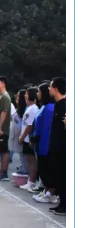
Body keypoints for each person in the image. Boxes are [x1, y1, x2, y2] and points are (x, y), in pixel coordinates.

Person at [32, 83, 58, 204]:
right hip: (40, 143)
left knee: (47, 170)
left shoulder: (49, 108)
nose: (37, 94)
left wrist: (37, 139)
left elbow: (47, 129)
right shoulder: (44, 106)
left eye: (39, 91)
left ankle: (51, 194)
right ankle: (46, 191)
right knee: (43, 169)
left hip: (45, 145)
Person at [48, 77, 66, 215]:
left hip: (63, 147)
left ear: (56, 88)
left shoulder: (66, 105)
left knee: (63, 176)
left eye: (50, 86)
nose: (49, 89)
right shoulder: (57, 105)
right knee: (58, 176)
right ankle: (61, 203)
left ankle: (65, 205)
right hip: (56, 146)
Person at [19, 87, 40, 192]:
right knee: (29, 161)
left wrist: (22, 136)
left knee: (32, 162)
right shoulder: (29, 108)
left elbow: (30, 125)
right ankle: (30, 181)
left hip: (28, 138)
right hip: (25, 138)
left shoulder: (34, 109)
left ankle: (31, 182)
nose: (25, 96)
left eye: (27, 94)